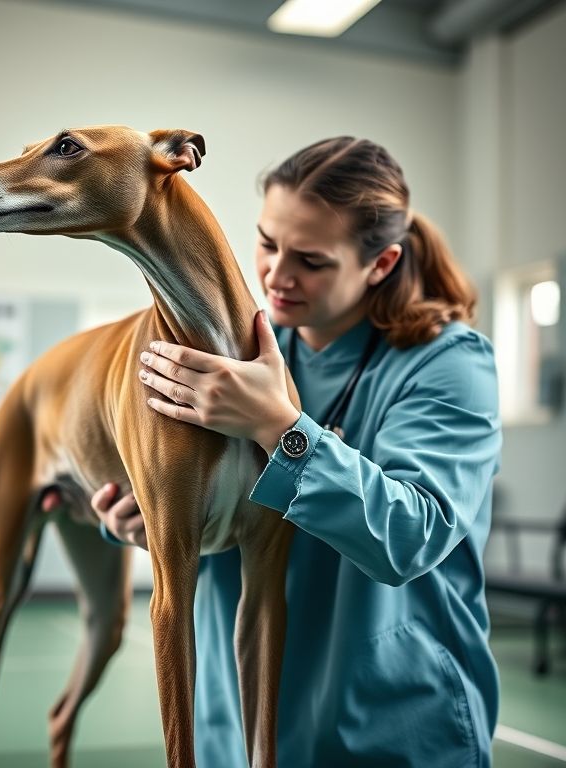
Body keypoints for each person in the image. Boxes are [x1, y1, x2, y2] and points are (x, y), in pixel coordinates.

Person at [90, 136, 502, 767]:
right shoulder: (234, 353)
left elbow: (413, 536)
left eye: (311, 259)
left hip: (390, 725)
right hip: (244, 723)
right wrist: (147, 517)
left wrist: (277, 427)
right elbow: (211, 519)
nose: (277, 276)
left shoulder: (448, 362)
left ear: (381, 263)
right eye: (268, 242)